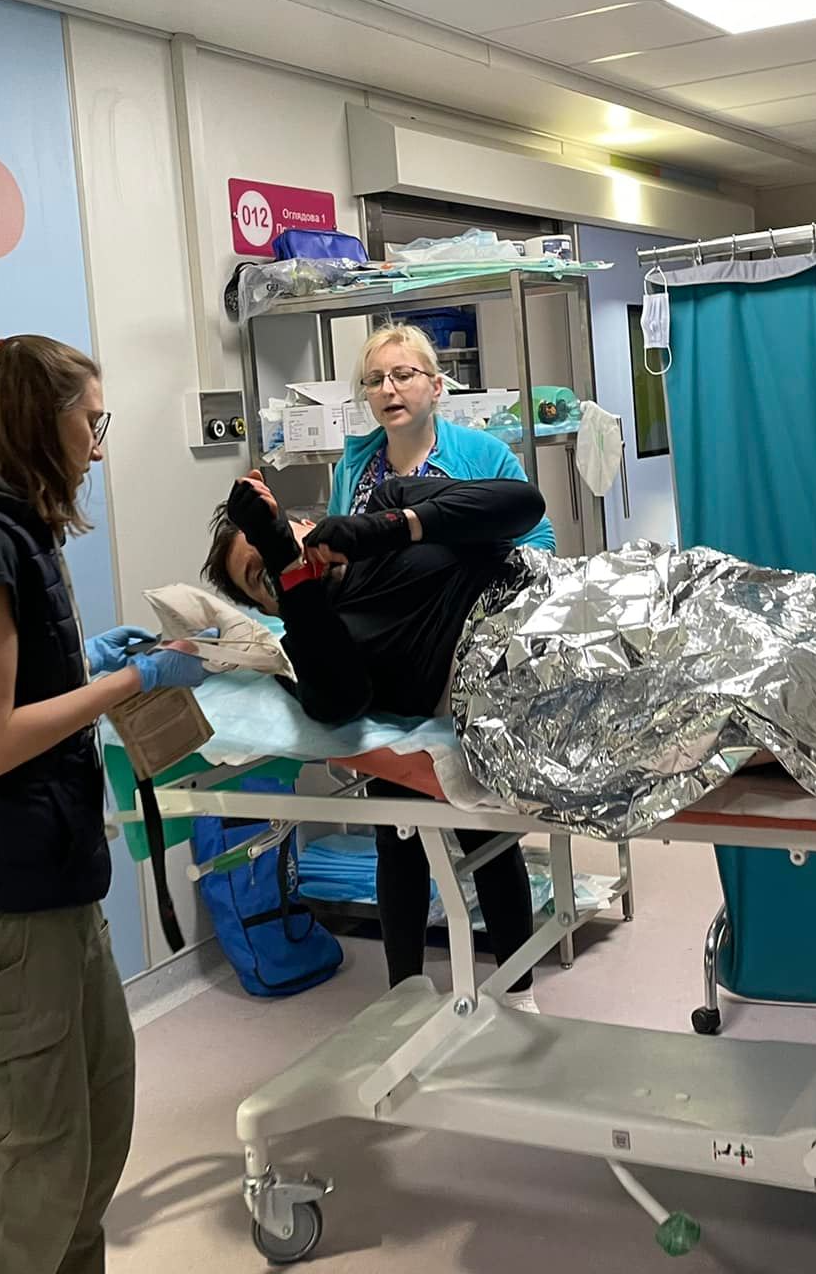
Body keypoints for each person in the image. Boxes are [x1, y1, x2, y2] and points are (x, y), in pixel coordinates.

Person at [0, 335, 208, 1274]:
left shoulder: (12, 529)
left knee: (85, 1157)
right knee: (21, 1182)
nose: (97, 444)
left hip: (47, 887)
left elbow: (3, 684)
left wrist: (83, 661)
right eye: (90, 421)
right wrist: (132, 680)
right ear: (36, 421)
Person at [203, 467, 549, 1013]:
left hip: (547, 606)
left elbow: (523, 504)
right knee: (406, 818)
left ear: (307, 523)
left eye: (280, 536)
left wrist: (394, 526)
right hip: (501, 694)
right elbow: (339, 700)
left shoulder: (388, 503)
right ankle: (409, 1002)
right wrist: (287, 566)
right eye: (257, 574)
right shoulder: (308, 644)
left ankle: (513, 993)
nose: (271, 564)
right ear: (266, 609)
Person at [331, 321, 555, 550]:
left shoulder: (483, 454)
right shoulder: (352, 468)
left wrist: (497, 573)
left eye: (403, 376)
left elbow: (537, 536)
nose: (387, 390)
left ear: (436, 388)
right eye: (375, 381)